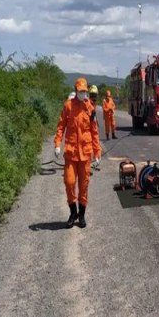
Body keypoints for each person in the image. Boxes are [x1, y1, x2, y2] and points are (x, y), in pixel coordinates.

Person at [54, 77, 101, 228]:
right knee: (69, 182)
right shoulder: (68, 106)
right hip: (71, 152)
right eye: (80, 91)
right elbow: (61, 126)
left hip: (85, 154)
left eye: (84, 91)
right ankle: (72, 211)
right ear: (75, 91)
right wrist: (57, 144)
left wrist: (97, 152)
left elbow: (94, 132)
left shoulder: (90, 108)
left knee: (84, 185)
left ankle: (81, 215)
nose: (82, 94)